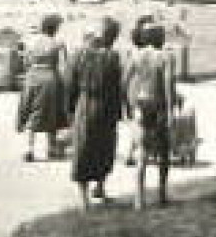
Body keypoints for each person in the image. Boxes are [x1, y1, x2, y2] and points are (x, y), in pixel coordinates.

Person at [65, 17, 124, 210]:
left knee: (84, 148)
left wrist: (70, 109)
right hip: (106, 107)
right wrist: (118, 112)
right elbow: (117, 88)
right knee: (104, 147)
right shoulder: (112, 57)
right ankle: (100, 187)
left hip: (84, 105)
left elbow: (70, 85)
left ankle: (85, 198)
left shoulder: (78, 54)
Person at [124, 21, 177, 209]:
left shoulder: (135, 55)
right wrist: (170, 111)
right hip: (158, 105)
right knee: (163, 151)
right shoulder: (165, 57)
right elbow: (168, 85)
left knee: (142, 152)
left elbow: (125, 80)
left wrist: (127, 104)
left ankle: (139, 198)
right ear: (159, 38)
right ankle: (161, 194)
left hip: (140, 103)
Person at [17, 14, 68, 162]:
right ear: (55, 29)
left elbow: (26, 62)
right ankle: (51, 148)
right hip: (51, 77)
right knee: (52, 113)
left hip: (33, 77)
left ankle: (29, 149)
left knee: (31, 111)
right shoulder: (58, 43)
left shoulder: (31, 42)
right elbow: (65, 65)